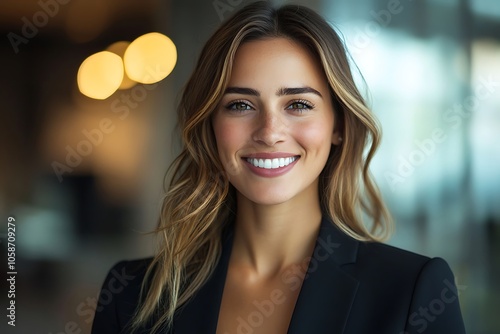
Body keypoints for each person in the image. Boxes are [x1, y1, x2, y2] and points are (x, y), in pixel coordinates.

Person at [91, 1, 466, 333]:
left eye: (298, 104)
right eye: (240, 105)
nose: (269, 133)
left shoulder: (413, 290)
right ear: (210, 127)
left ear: (338, 125)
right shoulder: (130, 292)